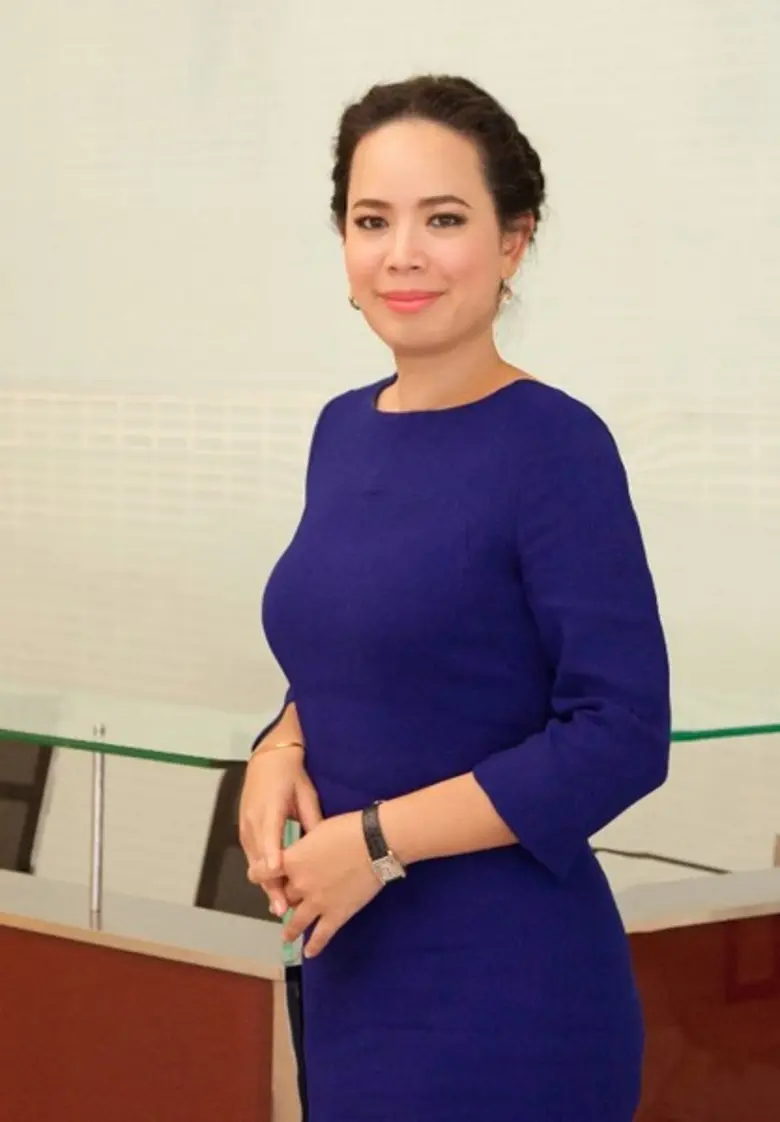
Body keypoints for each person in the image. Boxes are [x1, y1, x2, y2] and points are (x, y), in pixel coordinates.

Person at [239, 73, 671, 1122]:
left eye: (443, 219)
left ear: (513, 240)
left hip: (506, 989)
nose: (402, 254)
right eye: (371, 220)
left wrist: (376, 841)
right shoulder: (343, 431)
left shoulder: (557, 447)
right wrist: (280, 743)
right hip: (352, 970)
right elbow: (365, 649)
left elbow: (621, 733)